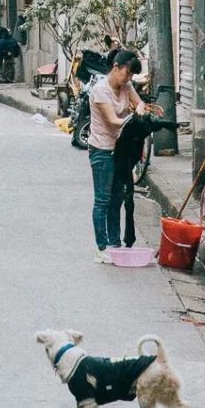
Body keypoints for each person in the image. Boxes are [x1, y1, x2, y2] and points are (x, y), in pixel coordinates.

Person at [87, 49, 160, 262]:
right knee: (103, 199)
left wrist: (140, 108)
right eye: (126, 73)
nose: (128, 79)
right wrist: (134, 120)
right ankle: (101, 248)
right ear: (116, 67)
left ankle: (115, 244)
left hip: (120, 151)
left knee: (117, 198)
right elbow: (112, 121)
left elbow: (139, 103)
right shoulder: (100, 91)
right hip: (102, 150)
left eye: (131, 76)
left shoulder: (126, 86)